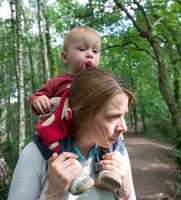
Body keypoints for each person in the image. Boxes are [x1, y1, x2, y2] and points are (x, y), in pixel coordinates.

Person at [8, 68, 137, 200]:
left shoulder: (118, 154)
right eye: (112, 117)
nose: (124, 127)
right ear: (81, 113)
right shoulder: (36, 154)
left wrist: (126, 193)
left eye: (123, 115)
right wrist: (52, 194)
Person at [28, 26, 126, 195]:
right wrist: (40, 100)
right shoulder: (59, 81)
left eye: (95, 51)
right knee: (61, 150)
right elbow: (39, 95)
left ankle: (108, 171)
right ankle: (75, 176)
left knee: (114, 145)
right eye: (82, 49)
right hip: (64, 132)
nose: (90, 54)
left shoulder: (101, 83)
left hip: (97, 139)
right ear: (65, 57)